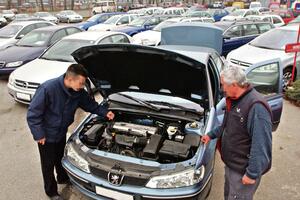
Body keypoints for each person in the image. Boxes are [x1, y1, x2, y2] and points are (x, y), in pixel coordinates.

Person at [27, 64, 114, 200]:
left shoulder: (78, 92)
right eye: (80, 83)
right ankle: (51, 192)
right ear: (70, 79)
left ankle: (62, 177)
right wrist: (39, 134)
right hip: (46, 136)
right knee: (48, 164)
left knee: (60, 157)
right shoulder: (48, 89)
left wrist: (105, 112)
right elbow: (33, 114)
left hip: (61, 132)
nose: (82, 86)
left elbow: (90, 105)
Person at [201, 65, 272, 200]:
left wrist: (252, 173)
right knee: (229, 195)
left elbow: (261, 144)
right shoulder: (234, 100)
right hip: (232, 165)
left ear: (234, 84)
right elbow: (226, 125)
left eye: (223, 85)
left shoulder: (256, 106)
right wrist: (210, 135)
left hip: (242, 170)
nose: (222, 89)